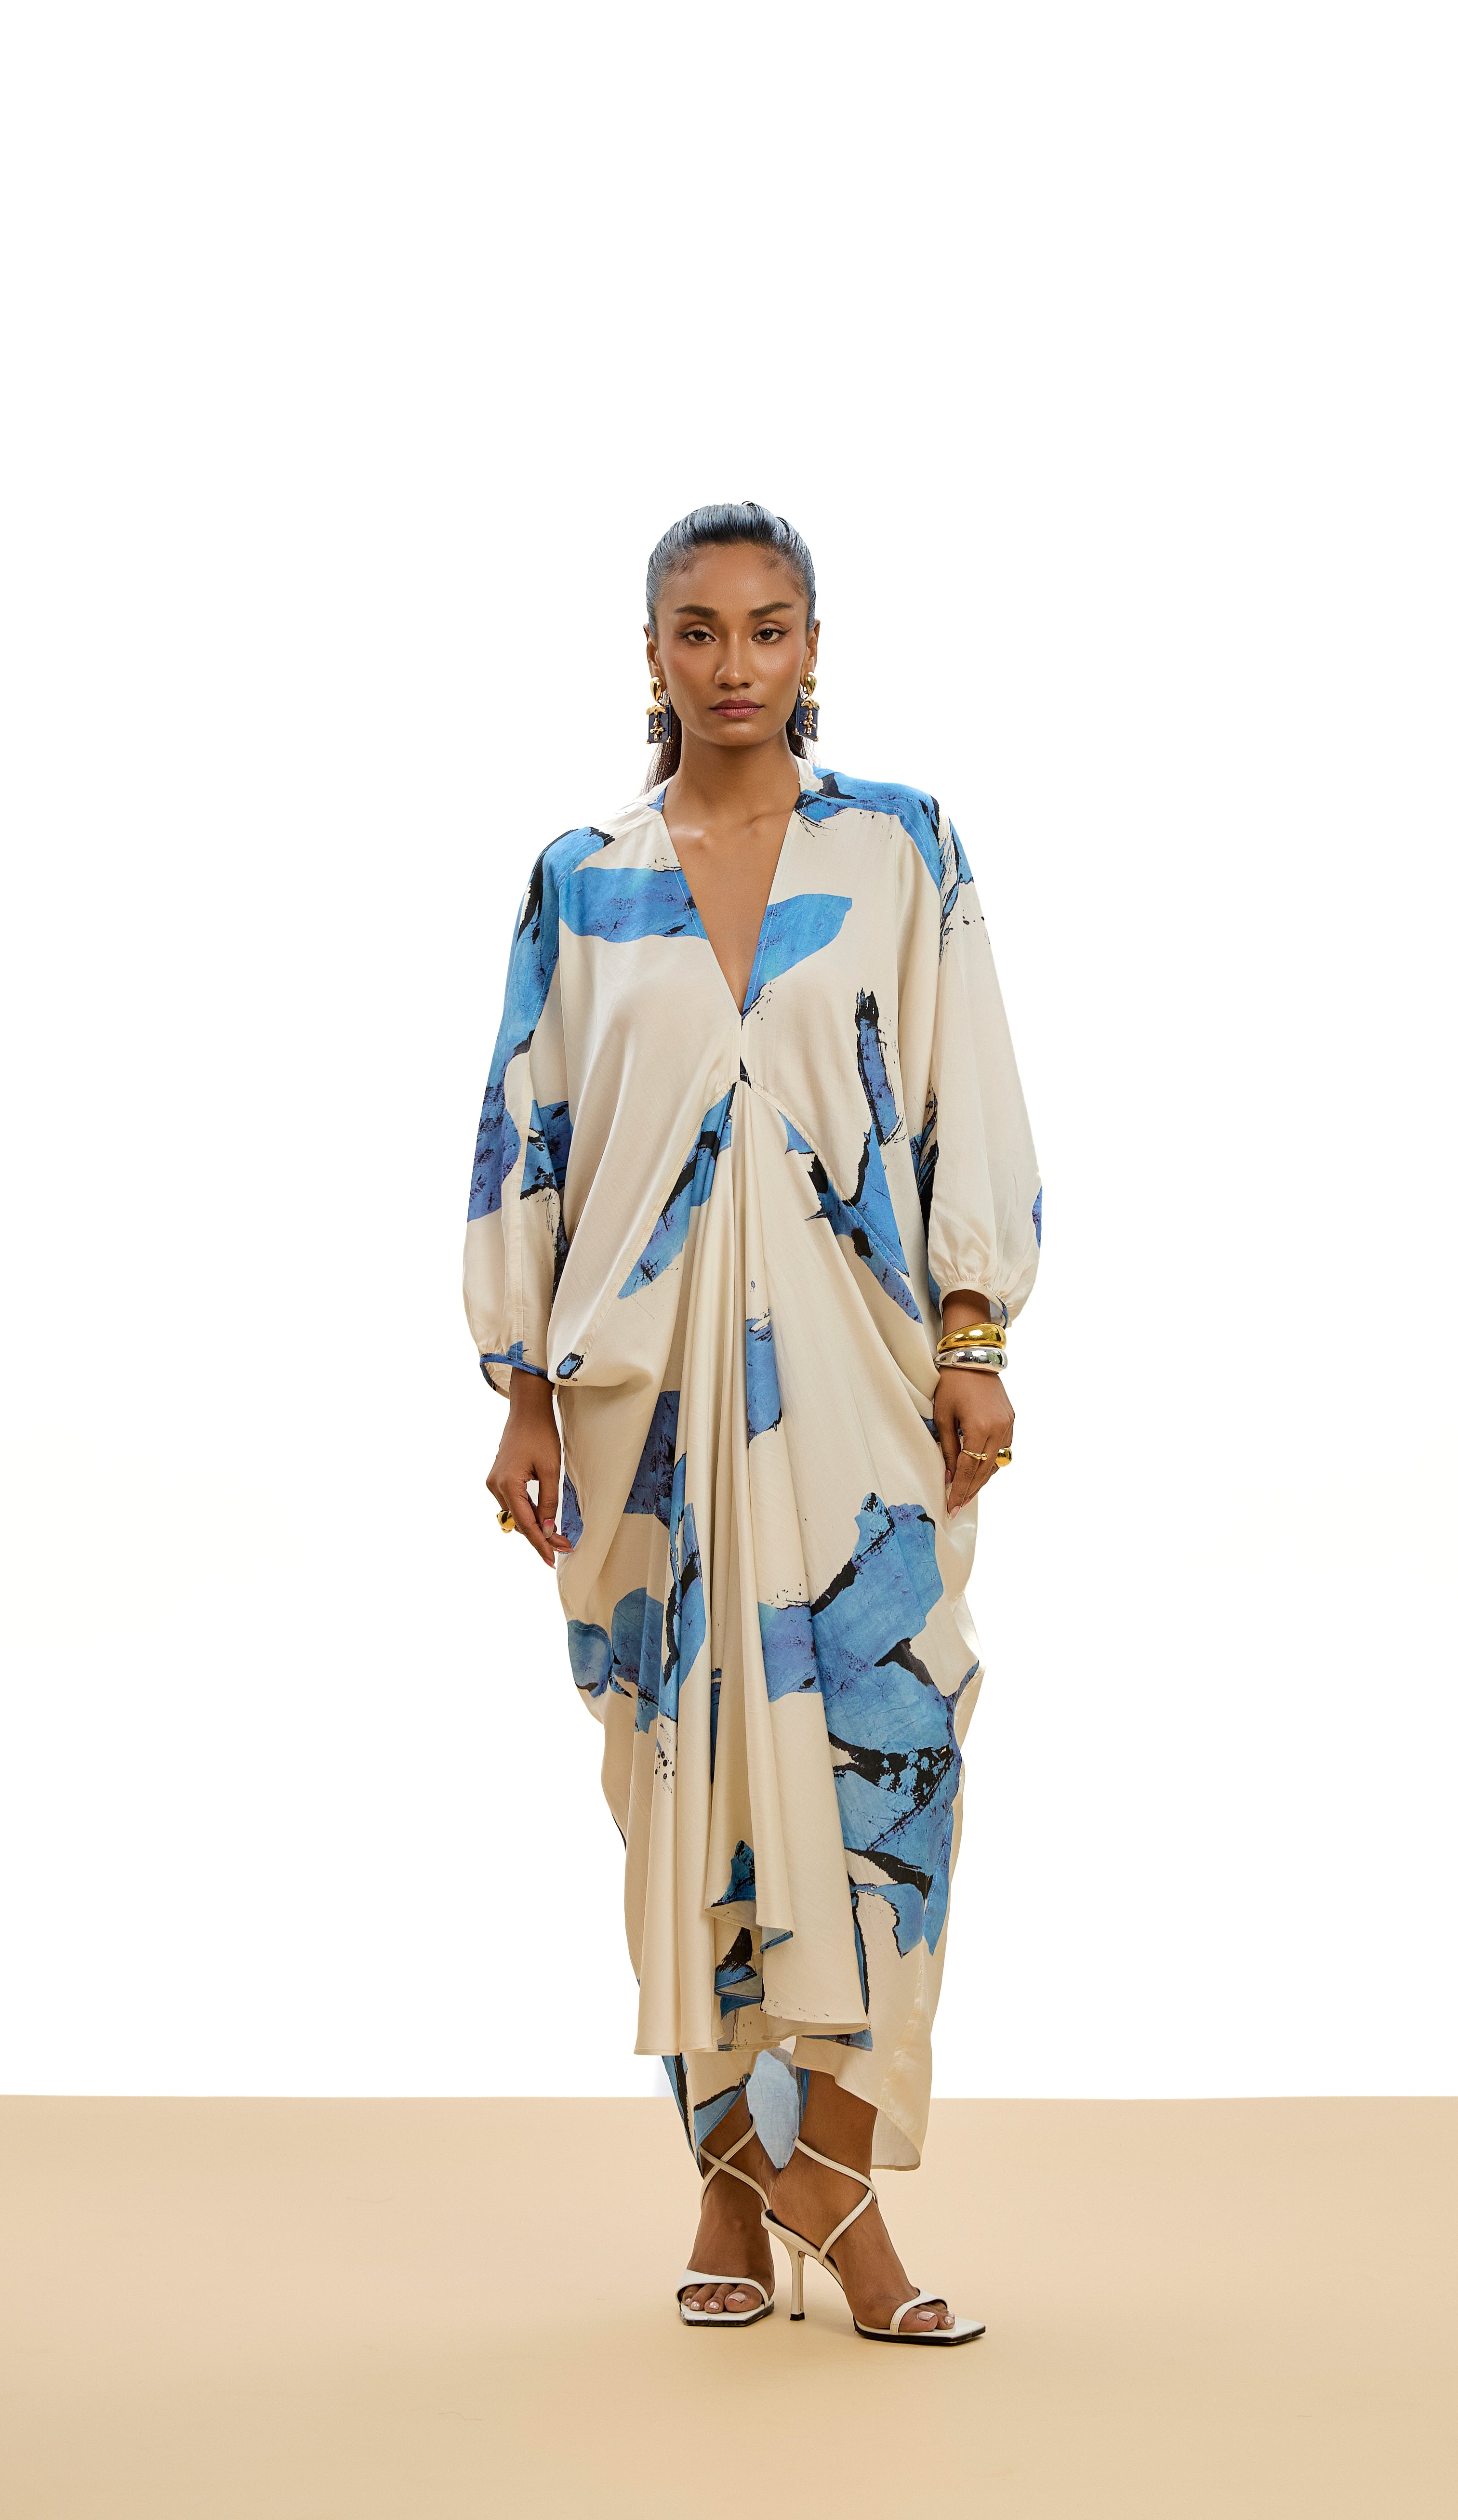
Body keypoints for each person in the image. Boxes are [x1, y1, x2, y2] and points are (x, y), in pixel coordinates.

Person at [464, 502, 1039, 2343]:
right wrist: (520, 1387)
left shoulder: (898, 849)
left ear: (811, 648)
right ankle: (728, 2187)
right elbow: (528, 1137)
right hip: (634, 1411)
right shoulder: (583, 881)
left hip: (861, 1378)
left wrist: (973, 1333)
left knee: (893, 1754)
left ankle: (836, 2185)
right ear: (651, 654)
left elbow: (964, 1093)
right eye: (698, 631)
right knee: (685, 1782)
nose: (734, 665)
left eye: (767, 629)